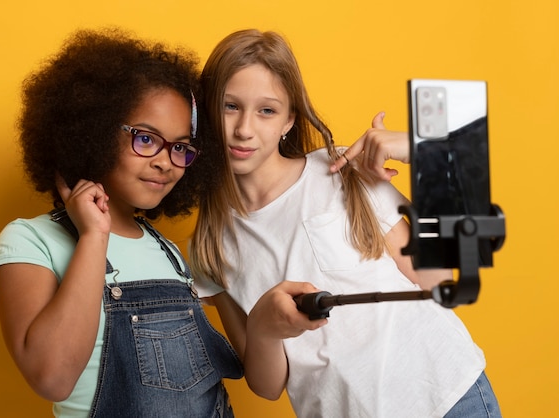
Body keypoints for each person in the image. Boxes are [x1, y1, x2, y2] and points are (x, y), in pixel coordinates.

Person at [190, 29, 501, 417]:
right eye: (229, 106)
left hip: (447, 398)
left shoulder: (340, 171)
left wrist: (424, 153)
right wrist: (265, 328)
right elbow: (267, 386)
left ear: (289, 119)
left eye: (266, 110)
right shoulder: (208, 245)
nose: (244, 129)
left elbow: (435, 278)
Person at [0, 28, 242, 418]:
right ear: (95, 133)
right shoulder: (30, 240)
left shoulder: (168, 252)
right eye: (146, 139)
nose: (165, 161)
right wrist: (93, 235)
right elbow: (51, 378)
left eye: (180, 147)